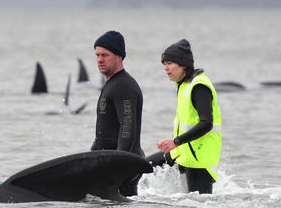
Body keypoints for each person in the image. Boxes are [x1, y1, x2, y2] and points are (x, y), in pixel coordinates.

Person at [148, 39, 222, 194]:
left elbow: (207, 123)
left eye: (169, 63)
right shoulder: (184, 85)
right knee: (143, 166)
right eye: (164, 64)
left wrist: (176, 141)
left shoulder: (199, 86)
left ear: (183, 65)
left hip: (199, 159)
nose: (165, 68)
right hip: (182, 152)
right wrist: (177, 144)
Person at [91, 30, 144, 196]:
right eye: (97, 55)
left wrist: (119, 164)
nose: (100, 60)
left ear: (119, 56)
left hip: (122, 167)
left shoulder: (124, 86)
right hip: (112, 163)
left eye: (105, 55)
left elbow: (127, 127)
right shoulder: (112, 83)